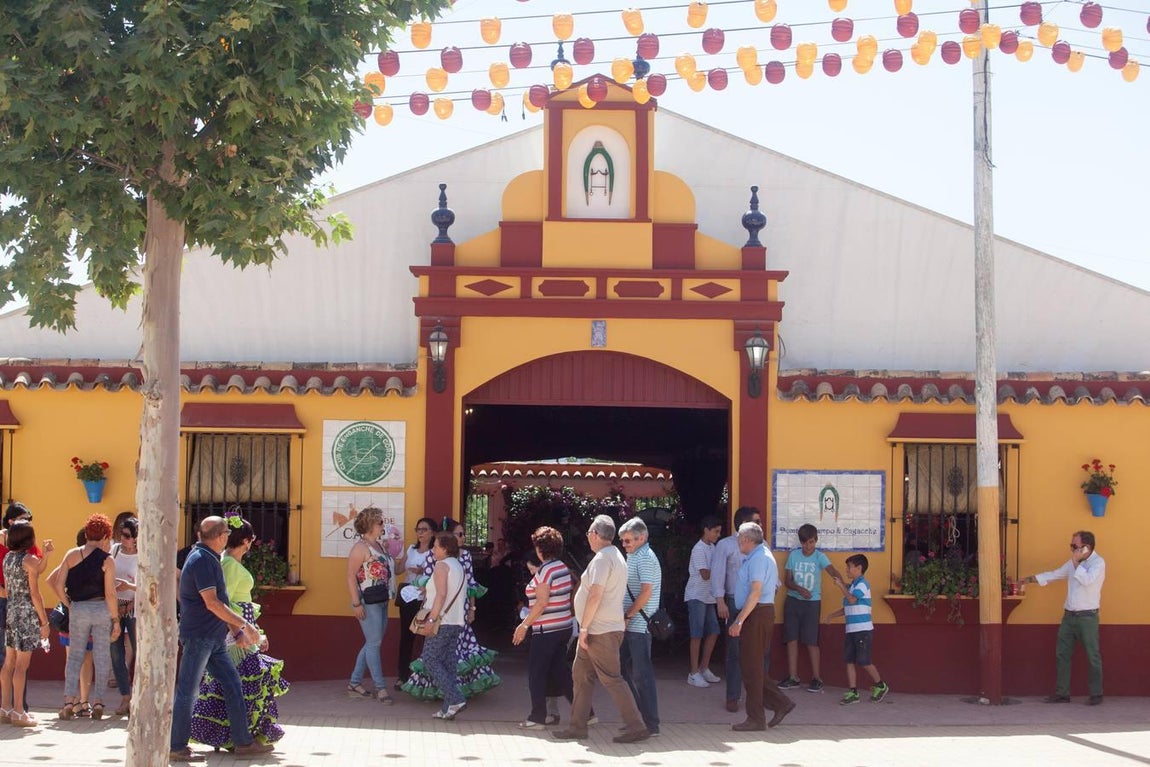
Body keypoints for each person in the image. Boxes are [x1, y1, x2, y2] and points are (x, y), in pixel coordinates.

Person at [169, 515, 272, 762]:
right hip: (200, 636)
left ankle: (243, 742)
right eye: (226, 533)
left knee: (232, 684)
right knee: (188, 692)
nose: (228, 537)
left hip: (213, 638)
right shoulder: (203, 560)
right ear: (221, 536)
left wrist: (236, 631)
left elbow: (220, 603)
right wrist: (245, 625)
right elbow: (212, 602)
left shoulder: (209, 558)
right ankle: (176, 746)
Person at [190, 513, 290, 749]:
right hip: (235, 634)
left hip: (240, 629)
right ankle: (241, 737)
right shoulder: (229, 565)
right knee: (246, 683)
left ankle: (237, 736)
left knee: (239, 684)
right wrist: (245, 630)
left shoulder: (227, 563)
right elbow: (228, 603)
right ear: (245, 541)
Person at [553, 514, 649, 744]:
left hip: (598, 630)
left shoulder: (602, 559)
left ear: (595, 534)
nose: (587, 537)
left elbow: (595, 594)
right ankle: (577, 726)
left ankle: (636, 726)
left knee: (611, 679)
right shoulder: (614, 555)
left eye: (588, 533)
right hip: (600, 629)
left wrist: (584, 628)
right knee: (581, 676)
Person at [402, 520, 500, 700]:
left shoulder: (460, 559)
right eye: (458, 534)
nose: (461, 538)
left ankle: (454, 697)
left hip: (446, 613)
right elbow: (430, 585)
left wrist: (472, 608)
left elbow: (467, 585)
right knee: (445, 656)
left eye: (462, 534)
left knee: (442, 656)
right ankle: (450, 699)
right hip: (446, 613)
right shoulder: (440, 560)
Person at [1023, 529, 1106, 705]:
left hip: (1087, 617)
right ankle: (1062, 692)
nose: (1071, 550)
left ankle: (1096, 693)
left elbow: (1087, 580)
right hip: (1069, 616)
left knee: (1093, 655)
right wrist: (1029, 579)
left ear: (1086, 547)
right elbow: (1055, 574)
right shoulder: (1073, 563)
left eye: (1074, 546)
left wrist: (1076, 564)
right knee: (1062, 654)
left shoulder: (1098, 563)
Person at [727, 522, 795, 731]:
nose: (738, 542)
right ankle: (780, 703)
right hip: (758, 613)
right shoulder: (761, 555)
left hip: (756, 614)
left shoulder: (759, 558)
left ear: (746, 539)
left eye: (739, 538)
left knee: (752, 668)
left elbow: (756, 592)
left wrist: (739, 621)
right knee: (752, 667)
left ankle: (756, 718)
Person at [57, 514, 120, 721]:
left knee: (75, 656)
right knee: (101, 657)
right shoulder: (107, 559)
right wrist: (116, 620)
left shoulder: (71, 555)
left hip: (78, 609)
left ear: (86, 534)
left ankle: (68, 702)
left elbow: (58, 585)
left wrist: (69, 604)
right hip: (101, 608)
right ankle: (99, 702)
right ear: (105, 536)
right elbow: (111, 593)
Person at [512, 526, 574, 728]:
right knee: (561, 673)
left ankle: (537, 716)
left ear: (540, 548)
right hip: (563, 626)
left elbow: (541, 602)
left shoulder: (546, 571)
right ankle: (587, 712)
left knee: (536, 673)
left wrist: (524, 625)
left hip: (546, 629)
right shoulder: (562, 567)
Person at [711, 506, 767, 712]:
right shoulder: (725, 545)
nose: (761, 525)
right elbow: (717, 574)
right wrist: (720, 600)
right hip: (734, 602)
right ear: (744, 524)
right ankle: (733, 696)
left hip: (758, 604)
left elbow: (770, 575)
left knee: (760, 652)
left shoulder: (763, 547)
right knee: (734, 651)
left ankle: (760, 697)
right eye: (757, 522)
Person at [778, 523, 844, 693]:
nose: (808, 546)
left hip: (812, 603)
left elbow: (832, 570)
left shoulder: (819, 557)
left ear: (816, 541)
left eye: (812, 542)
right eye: (805, 543)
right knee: (791, 639)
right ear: (800, 542)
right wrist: (799, 589)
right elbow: (788, 581)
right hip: (793, 601)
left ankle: (816, 678)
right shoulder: (793, 555)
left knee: (811, 641)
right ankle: (793, 677)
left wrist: (843, 583)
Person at [0, 502, 51, 715]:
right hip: (25, 612)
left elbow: (39, 567)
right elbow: (35, 593)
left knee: (9, 661)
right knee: (22, 665)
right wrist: (44, 622)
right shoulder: (27, 559)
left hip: (11, 608)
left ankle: (5, 707)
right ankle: (20, 710)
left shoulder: (9, 558)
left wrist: (46, 554)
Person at [345, 505, 396, 703]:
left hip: (382, 600)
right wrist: (356, 603)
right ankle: (380, 688)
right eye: (380, 522)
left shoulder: (379, 546)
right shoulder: (360, 548)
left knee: (372, 643)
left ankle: (354, 683)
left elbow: (390, 570)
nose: (383, 525)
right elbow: (350, 576)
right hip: (368, 602)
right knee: (374, 644)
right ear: (370, 525)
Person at [825, 554, 889, 705]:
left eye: (849, 567)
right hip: (851, 629)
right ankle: (853, 691)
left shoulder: (862, 584)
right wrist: (832, 616)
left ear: (859, 568)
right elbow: (848, 606)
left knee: (864, 661)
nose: (846, 570)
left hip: (863, 629)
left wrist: (841, 585)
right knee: (849, 660)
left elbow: (852, 599)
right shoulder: (853, 586)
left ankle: (881, 685)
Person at [419, 531, 468, 720]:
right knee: (448, 664)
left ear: (445, 548)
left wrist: (431, 619)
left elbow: (440, 595)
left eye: (436, 546)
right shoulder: (458, 566)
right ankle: (448, 709)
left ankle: (455, 699)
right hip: (456, 621)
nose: (433, 550)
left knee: (430, 659)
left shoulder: (441, 566)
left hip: (442, 621)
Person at [619, 517, 662, 736]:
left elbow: (646, 592)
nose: (624, 545)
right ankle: (638, 718)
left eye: (628, 541)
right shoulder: (634, 555)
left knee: (641, 675)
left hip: (639, 625)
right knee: (620, 670)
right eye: (623, 541)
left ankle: (650, 723)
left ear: (641, 538)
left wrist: (628, 615)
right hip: (632, 625)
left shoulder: (645, 557)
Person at [47, 529, 96, 717]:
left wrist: (66, 602)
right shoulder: (96, 560)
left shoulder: (71, 558)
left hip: (73, 616)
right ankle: (83, 703)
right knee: (86, 660)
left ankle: (72, 701)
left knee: (72, 661)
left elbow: (51, 580)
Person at [395, 516, 436, 690]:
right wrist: (392, 555)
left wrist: (424, 571)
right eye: (418, 529)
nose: (420, 533)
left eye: (424, 529)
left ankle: (426, 676)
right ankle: (402, 676)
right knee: (406, 637)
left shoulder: (435, 551)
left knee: (427, 638)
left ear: (432, 532)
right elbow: (398, 570)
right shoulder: (411, 549)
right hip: (408, 597)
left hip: (426, 599)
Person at [685, 515, 723, 688]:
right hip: (696, 596)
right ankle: (693, 673)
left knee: (714, 631)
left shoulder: (714, 547)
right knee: (696, 634)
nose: (717, 535)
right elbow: (705, 574)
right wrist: (721, 567)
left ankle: (704, 667)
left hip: (709, 597)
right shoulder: (698, 549)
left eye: (719, 532)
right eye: (715, 531)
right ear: (706, 530)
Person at [110, 517, 139, 716]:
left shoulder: (143, 556)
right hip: (114, 606)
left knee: (139, 651)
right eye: (122, 534)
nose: (124, 538)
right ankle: (125, 697)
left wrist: (128, 593)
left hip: (135, 606)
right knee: (116, 653)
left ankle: (138, 696)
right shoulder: (115, 550)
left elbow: (147, 587)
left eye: (128, 535)